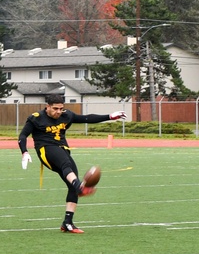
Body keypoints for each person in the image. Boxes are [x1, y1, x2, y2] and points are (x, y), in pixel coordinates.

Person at [18, 93, 126, 233]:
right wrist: (24, 152)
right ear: (47, 107)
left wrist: (109, 116)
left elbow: (87, 118)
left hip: (63, 148)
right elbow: (22, 136)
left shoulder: (66, 115)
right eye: (55, 109)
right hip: (46, 150)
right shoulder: (36, 118)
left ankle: (67, 223)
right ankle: (79, 186)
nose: (58, 112)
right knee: (67, 168)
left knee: (71, 182)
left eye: (61, 109)